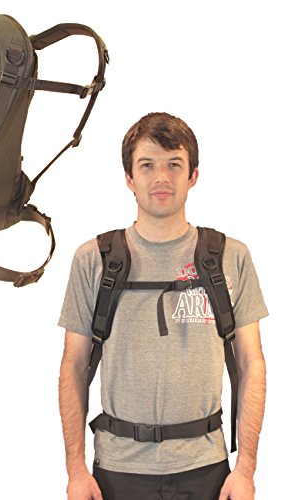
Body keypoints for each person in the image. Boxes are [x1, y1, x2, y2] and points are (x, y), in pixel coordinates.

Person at [58, 112, 268, 500]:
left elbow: (250, 362)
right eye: (147, 165)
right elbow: (73, 364)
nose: (161, 177)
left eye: (174, 164)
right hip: (117, 471)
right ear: (129, 178)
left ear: (193, 175)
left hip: (206, 469)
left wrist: (246, 469)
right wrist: (75, 470)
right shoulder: (94, 260)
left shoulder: (229, 257)